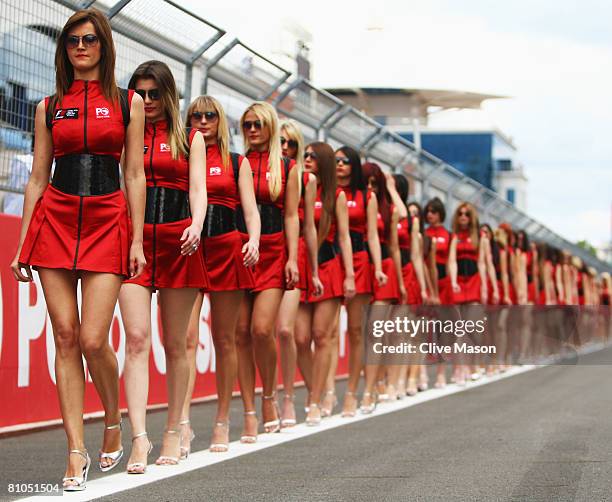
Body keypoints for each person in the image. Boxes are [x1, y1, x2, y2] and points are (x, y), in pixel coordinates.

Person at [10, 9, 145, 490]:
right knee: (64, 336)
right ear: (64, 48)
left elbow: (134, 174)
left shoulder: (128, 103)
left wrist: (138, 242)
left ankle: (112, 417)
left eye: (89, 39)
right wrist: (24, 241)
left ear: (104, 46)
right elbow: (35, 178)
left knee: (92, 339)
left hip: (109, 220)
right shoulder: (49, 106)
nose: (81, 47)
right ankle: (74, 452)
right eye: (72, 40)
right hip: (56, 220)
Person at [118, 61, 207, 471]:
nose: (148, 101)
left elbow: (198, 191)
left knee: (176, 345)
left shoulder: (191, 138)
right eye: (141, 93)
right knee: (136, 339)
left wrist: (197, 225)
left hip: (179, 244)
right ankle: (139, 437)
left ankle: (176, 427)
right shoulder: (125, 133)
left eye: (155, 93)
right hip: (134, 244)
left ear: (168, 95)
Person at [181, 95, 260, 454]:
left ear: (220, 120)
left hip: (227, 248)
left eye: (209, 115)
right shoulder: (182, 155)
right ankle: (180, 422)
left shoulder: (236, 161)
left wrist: (254, 240)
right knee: (184, 339)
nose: (202, 120)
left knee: (225, 339)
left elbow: (251, 210)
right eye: (195, 115)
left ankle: (223, 419)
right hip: (191, 248)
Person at [235, 102, 300, 441]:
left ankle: (270, 396)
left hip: (273, 250)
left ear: (271, 126)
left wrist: (292, 258)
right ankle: (248, 409)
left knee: (262, 329)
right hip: (240, 249)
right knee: (240, 333)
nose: (252, 129)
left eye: (259, 123)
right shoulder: (238, 162)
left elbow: (292, 215)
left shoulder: (287, 167)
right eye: (247, 124)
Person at [294, 142, 355, 425]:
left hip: (328, 267)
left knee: (321, 334)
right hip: (302, 266)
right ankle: (314, 391)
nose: (306, 159)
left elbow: (344, 237)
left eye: (312, 156)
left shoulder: (336, 196)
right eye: (304, 155)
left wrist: (350, 275)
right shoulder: (299, 187)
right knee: (300, 337)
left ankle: (316, 398)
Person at [276, 119, 313, 427]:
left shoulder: (305, 178)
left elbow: (309, 225)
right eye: (281, 142)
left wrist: (310, 268)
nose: (285, 148)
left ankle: (289, 397)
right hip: (264, 249)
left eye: (291, 144)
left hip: (294, 254)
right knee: (251, 332)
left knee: (287, 331)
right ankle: (268, 398)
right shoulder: (258, 168)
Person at [359, 162, 405, 413]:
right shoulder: (353, 201)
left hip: (385, 269)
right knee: (367, 332)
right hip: (361, 265)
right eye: (366, 182)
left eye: (374, 184)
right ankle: (376, 380)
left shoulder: (389, 210)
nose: (370, 188)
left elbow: (396, 246)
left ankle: (378, 385)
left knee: (377, 330)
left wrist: (388, 185)